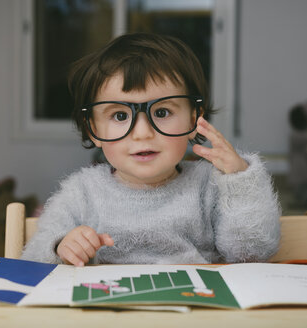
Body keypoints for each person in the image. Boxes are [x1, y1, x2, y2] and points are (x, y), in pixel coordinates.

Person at [21, 33, 281, 266]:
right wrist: (60, 247)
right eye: (120, 116)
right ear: (93, 130)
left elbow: (252, 254)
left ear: (194, 120)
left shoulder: (209, 186)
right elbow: (33, 258)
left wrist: (240, 181)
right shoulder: (81, 193)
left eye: (162, 112)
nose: (143, 132)